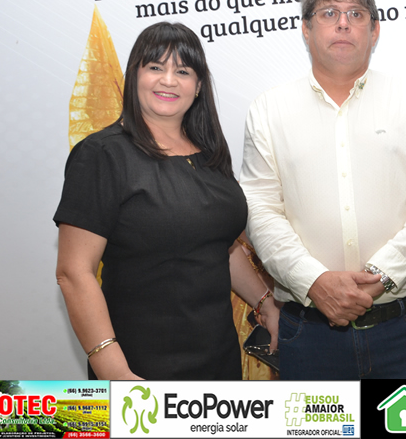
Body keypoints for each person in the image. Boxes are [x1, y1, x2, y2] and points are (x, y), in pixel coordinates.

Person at [239, 0, 406, 379]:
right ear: (306, 29)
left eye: (356, 14)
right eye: (329, 13)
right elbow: (259, 211)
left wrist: (382, 275)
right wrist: (314, 281)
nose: (343, 23)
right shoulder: (269, 111)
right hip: (309, 332)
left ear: (374, 31)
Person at [54, 22, 279, 380]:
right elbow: (73, 273)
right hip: (139, 368)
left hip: (218, 361)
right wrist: (114, 371)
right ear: (134, 75)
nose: (169, 80)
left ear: (199, 85)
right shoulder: (102, 155)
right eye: (156, 67)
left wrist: (265, 302)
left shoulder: (209, 154)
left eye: (183, 71)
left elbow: (219, 244)